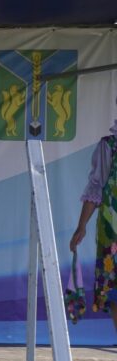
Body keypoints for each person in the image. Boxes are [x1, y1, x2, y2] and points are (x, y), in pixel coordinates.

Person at [70, 113, 117, 335]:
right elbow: (96, 186)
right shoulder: (109, 146)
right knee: (113, 288)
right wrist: (82, 226)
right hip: (113, 231)